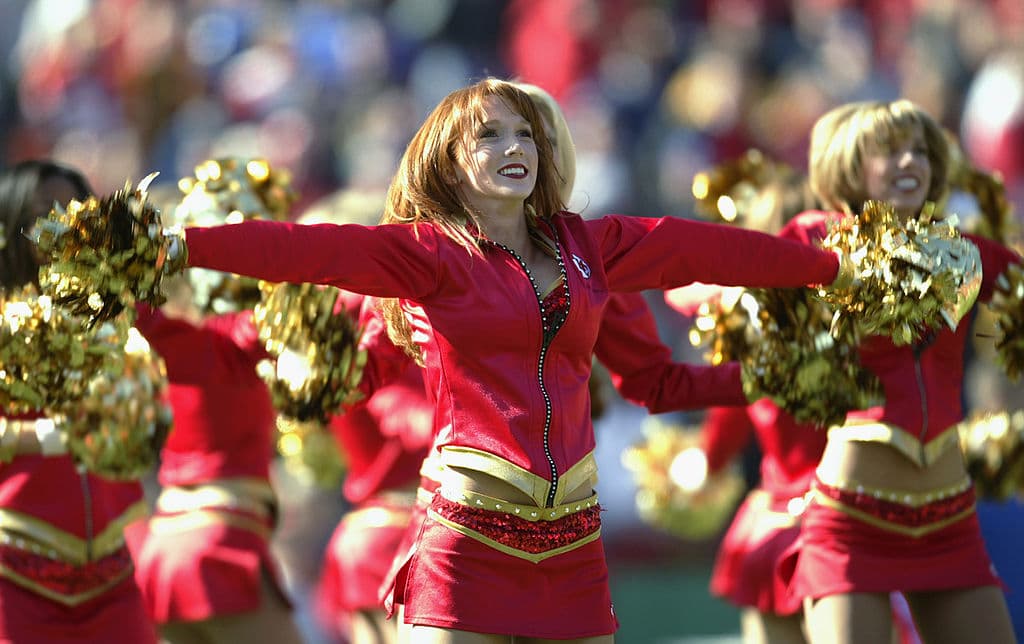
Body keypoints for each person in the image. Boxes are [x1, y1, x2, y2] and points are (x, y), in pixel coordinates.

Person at [59, 78, 848, 642]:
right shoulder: (428, 255)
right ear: (448, 162)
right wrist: (177, 246)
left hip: (572, 542)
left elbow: (701, 248)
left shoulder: (591, 245)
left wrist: (827, 268)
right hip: (466, 538)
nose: (515, 148)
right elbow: (304, 250)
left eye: (525, 134)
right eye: (490, 136)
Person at [775, 100, 1020, 644]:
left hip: (950, 518)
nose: (910, 161)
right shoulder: (822, 243)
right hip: (852, 521)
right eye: (889, 151)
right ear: (848, 166)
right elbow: (728, 259)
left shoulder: (969, 255)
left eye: (920, 150)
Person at [125, 166, 304, 644]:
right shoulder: (235, 338)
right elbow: (294, 310)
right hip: (219, 543)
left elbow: (126, 302)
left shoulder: (162, 345)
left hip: (163, 546)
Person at [0, 160, 158, 643]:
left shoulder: (119, 318)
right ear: (11, 228)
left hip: (113, 570)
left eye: (74, 208)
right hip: (16, 572)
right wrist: (37, 437)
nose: (63, 222)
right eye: (44, 211)